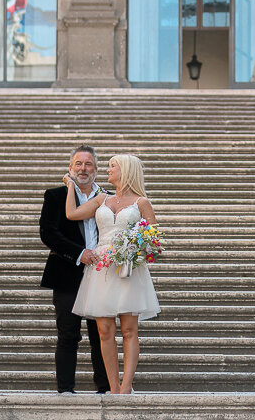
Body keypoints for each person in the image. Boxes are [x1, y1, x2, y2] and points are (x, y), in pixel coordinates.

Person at [66, 154, 160, 394]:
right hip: (102, 268)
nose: (108, 170)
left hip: (128, 269)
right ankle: (113, 386)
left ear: (125, 171)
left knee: (129, 330)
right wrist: (71, 186)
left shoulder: (141, 202)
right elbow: (72, 214)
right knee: (104, 331)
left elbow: (154, 239)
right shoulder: (101, 199)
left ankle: (126, 386)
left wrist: (136, 248)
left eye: (112, 167)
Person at [38, 144, 111, 394]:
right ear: (70, 168)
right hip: (67, 273)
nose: (83, 169)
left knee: (102, 334)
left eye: (88, 164)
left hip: (101, 275)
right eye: (78, 164)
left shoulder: (109, 198)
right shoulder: (56, 196)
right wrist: (80, 253)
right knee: (68, 333)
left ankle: (105, 387)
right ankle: (66, 389)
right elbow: (48, 233)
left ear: (96, 170)